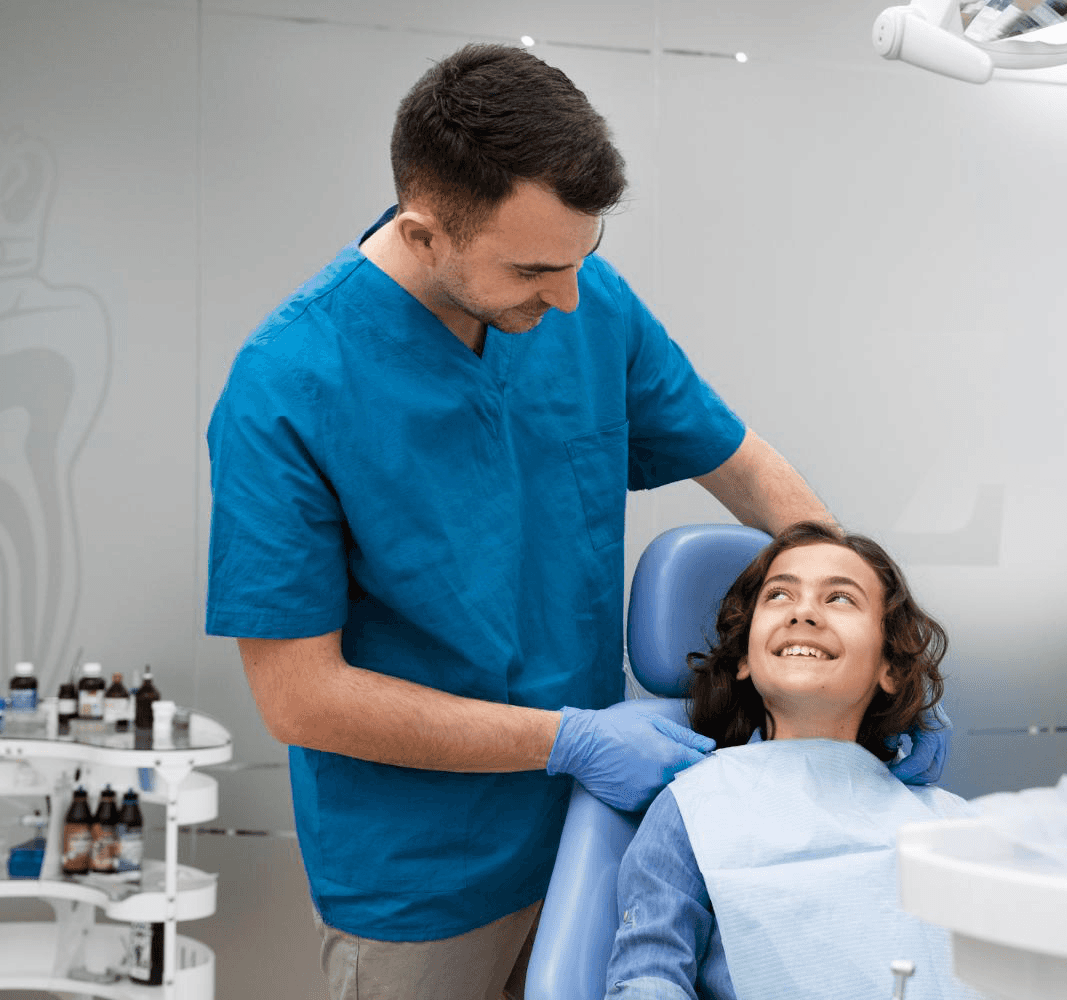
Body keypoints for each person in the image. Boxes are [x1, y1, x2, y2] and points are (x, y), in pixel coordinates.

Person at [205, 44, 948, 1000]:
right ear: (424, 233)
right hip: (422, 875)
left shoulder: (585, 301)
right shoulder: (288, 389)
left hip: (599, 836)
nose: (565, 297)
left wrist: (882, 637)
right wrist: (569, 740)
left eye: (580, 256)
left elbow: (747, 466)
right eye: (530, 270)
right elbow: (300, 697)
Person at [604, 521, 976, 1000]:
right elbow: (648, 978)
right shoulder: (694, 807)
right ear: (743, 659)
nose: (804, 612)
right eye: (779, 595)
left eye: (840, 598)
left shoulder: (949, 823)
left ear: (890, 668)